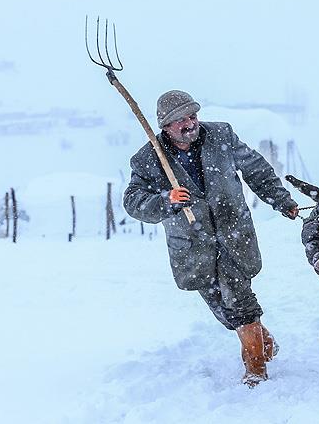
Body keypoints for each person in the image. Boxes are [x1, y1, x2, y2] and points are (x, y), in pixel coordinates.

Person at [123, 90, 299, 387]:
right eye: (180, 120)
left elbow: (256, 170)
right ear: (166, 126)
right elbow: (133, 201)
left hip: (234, 235)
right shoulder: (148, 159)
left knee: (241, 302)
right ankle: (263, 342)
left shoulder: (221, 135)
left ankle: (255, 367)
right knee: (224, 310)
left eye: (192, 116)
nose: (190, 123)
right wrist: (166, 200)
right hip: (194, 247)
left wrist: (281, 201)